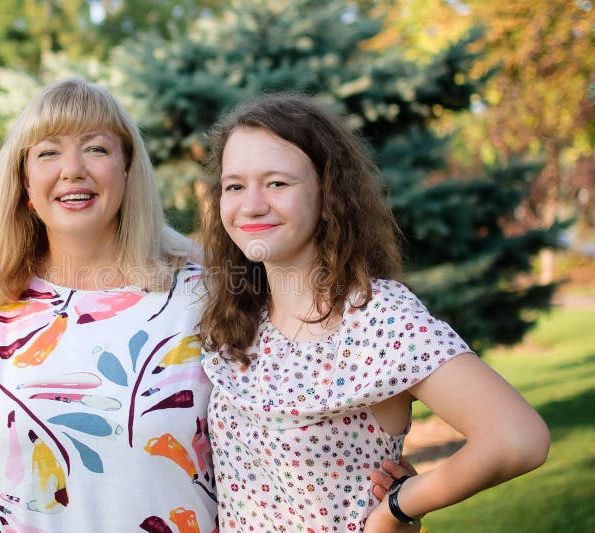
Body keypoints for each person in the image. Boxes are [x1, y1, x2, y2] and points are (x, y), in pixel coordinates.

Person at [0, 78, 217, 533]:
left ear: (128, 170)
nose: (72, 169)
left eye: (96, 149)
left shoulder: (201, 295)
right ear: (25, 183)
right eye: (49, 152)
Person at [198, 93, 550, 532]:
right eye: (235, 186)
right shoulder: (240, 319)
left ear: (328, 194)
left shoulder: (375, 316)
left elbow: (518, 439)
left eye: (277, 183)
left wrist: (399, 507)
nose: (251, 204)